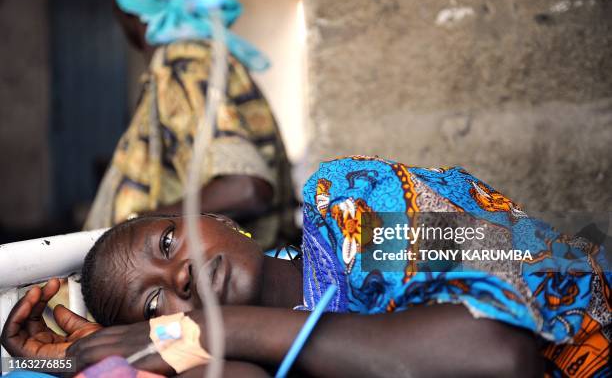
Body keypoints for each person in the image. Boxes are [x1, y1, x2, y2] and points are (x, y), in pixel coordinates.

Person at [3, 156, 610, 377]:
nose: (180, 277)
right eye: (156, 305)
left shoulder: (350, 210)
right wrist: (96, 359)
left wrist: (216, 328)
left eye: (167, 245)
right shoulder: (242, 365)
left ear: (222, 222)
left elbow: (498, 357)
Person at [84, 0, 296, 250]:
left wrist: (136, 224)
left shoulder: (182, 65)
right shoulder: (201, 57)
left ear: (128, 11)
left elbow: (246, 187)